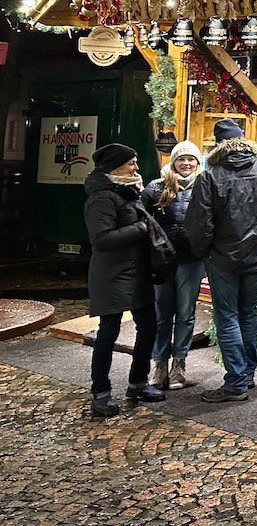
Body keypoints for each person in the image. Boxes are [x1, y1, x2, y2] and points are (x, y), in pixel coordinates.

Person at [184, 118, 257, 402]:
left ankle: (235, 382)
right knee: (247, 314)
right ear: (244, 140)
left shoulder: (209, 176)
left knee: (227, 316)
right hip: (256, 256)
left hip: (222, 258)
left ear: (218, 144)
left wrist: (203, 250)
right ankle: (246, 376)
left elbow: (199, 224)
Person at [85, 144, 165, 417]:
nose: (137, 168)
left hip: (135, 273)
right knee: (108, 332)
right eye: (132, 163)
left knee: (149, 327)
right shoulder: (102, 198)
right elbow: (101, 239)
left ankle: (138, 383)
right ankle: (101, 393)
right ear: (115, 166)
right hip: (111, 275)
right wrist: (140, 228)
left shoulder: (128, 190)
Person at [142, 141, 205, 390]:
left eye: (191, 159)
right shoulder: (156, 187)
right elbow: (141, 218)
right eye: (182, 159)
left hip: (192, 259)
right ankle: (159, 364)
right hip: (162, 261)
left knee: (186, 314)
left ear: (198, 163)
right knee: (161, 314)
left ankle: (179, 364)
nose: (186, 164)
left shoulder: (205, 188)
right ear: (173, 162)